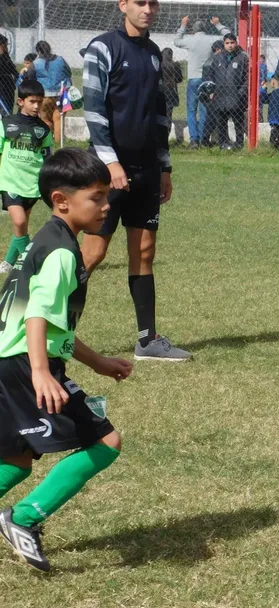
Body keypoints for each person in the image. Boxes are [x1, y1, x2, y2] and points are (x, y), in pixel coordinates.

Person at [0, 148, 132, 573]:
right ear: (61, 201)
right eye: (96, 197)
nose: (106, 205)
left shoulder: (39, 242)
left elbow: (55, 327)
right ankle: (22, 519)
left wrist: (98, 363)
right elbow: (37, 316)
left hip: (9, 361)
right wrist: (41, 372)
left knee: (16, 461)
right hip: (24, 366)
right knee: (105, 442)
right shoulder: (60, 253)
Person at [82, 0, 191, 362]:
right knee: (93, 253)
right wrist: (110, 163)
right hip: (107, 169)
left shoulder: (155, 53)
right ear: (122, 5)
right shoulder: (103, 48)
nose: (149, 9)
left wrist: (164, 166)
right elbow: (94, 110)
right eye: (140, 2)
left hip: (146, 168)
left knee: (144, 252)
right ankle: (53, 331)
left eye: (153, 3)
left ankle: (147, 341)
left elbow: (161, 112)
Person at [0, 81, 53, 275]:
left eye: (39, 102)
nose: (37, 106)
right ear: (21, 101)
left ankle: (8, 263)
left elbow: (47, 157)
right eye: (32, 101)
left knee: (21, 226)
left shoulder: (44, 130)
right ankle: (31, 265)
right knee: (20, 222)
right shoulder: (6, 123)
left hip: (32, 184)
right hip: (10, 181)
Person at [174, 15, 230, 148]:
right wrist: (218, 24)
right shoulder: (211, 39)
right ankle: (203, 138)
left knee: (192, 110)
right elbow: (228, 35)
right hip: (207, 78)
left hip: (193, 78)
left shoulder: (190, 40)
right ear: (205, 29)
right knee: (205, 109)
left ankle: (194, 139)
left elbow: (176, 41)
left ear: (193, 30)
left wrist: (182, 25)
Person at [203, 33, 249, 150]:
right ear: (224, 44)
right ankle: (222, 143)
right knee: (221, 122)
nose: (230, 46)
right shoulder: (217, 58)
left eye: (232, 43)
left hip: (235, 97)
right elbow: (210, 75)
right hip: (220, 96)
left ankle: (239, 144)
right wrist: (212, 90)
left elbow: (247, 78)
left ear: (236, 43)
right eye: (227, 43)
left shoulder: (242, 58)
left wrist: (240, 92)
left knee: (238, 122)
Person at [31, 42, 71, 145]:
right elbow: (69, 72)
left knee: (45, 119)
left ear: (38, 51)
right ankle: (59, 143)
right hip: (61, 94)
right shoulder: (60, 59)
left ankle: (48, 142)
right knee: (59, 120)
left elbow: (29, 77)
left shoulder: (36, 63)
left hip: (45, 95)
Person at [160, 48, 185, 144]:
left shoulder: (159, 64)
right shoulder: (175, 65)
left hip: (160, 91)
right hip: (171, 91)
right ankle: (165, 137)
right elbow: (179, 79)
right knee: (168, 116)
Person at [0, 36, 19, 115]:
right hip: (3, 87)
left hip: (7, 87)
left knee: (7, 110)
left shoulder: (5, 56)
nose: (6, 48)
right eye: (5, 45)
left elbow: (14, 71)